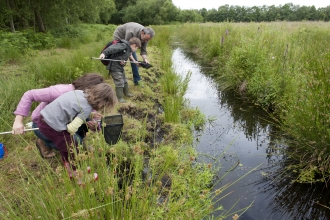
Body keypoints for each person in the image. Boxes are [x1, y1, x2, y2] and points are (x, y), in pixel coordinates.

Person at [12, 73, 105, 158]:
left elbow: (94, 116)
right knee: (72, 145)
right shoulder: (60, 91)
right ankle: (44, 142)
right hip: (43, 125)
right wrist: (18, 121)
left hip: (65, 123)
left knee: (87, 119)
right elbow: (29, 95)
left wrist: (96, 125)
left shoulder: (90, 99)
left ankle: (78, 143)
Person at [38, 83, 117, 177]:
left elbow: (73, 109)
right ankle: (78, 175)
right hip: (52, 126)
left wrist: (90, 115)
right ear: (102, 102)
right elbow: (71, 129)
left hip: (43, 118)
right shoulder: (87, 108)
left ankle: (69, 167)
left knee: (66, 148)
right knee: (73, 149)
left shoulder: (79, 93)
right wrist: (82, 122)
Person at [100, 37, 141, 103]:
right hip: (114, 67)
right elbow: (111, 49)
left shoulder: (129, 49)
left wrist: (133, 61)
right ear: (134, 45)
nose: (136, 50)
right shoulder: (123, 45)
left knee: (125, 80)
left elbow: (128, 55)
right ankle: (119, 98)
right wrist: (103, 54)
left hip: (120, 67)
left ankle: (126, 93)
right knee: (119, 81)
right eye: (137, 48)